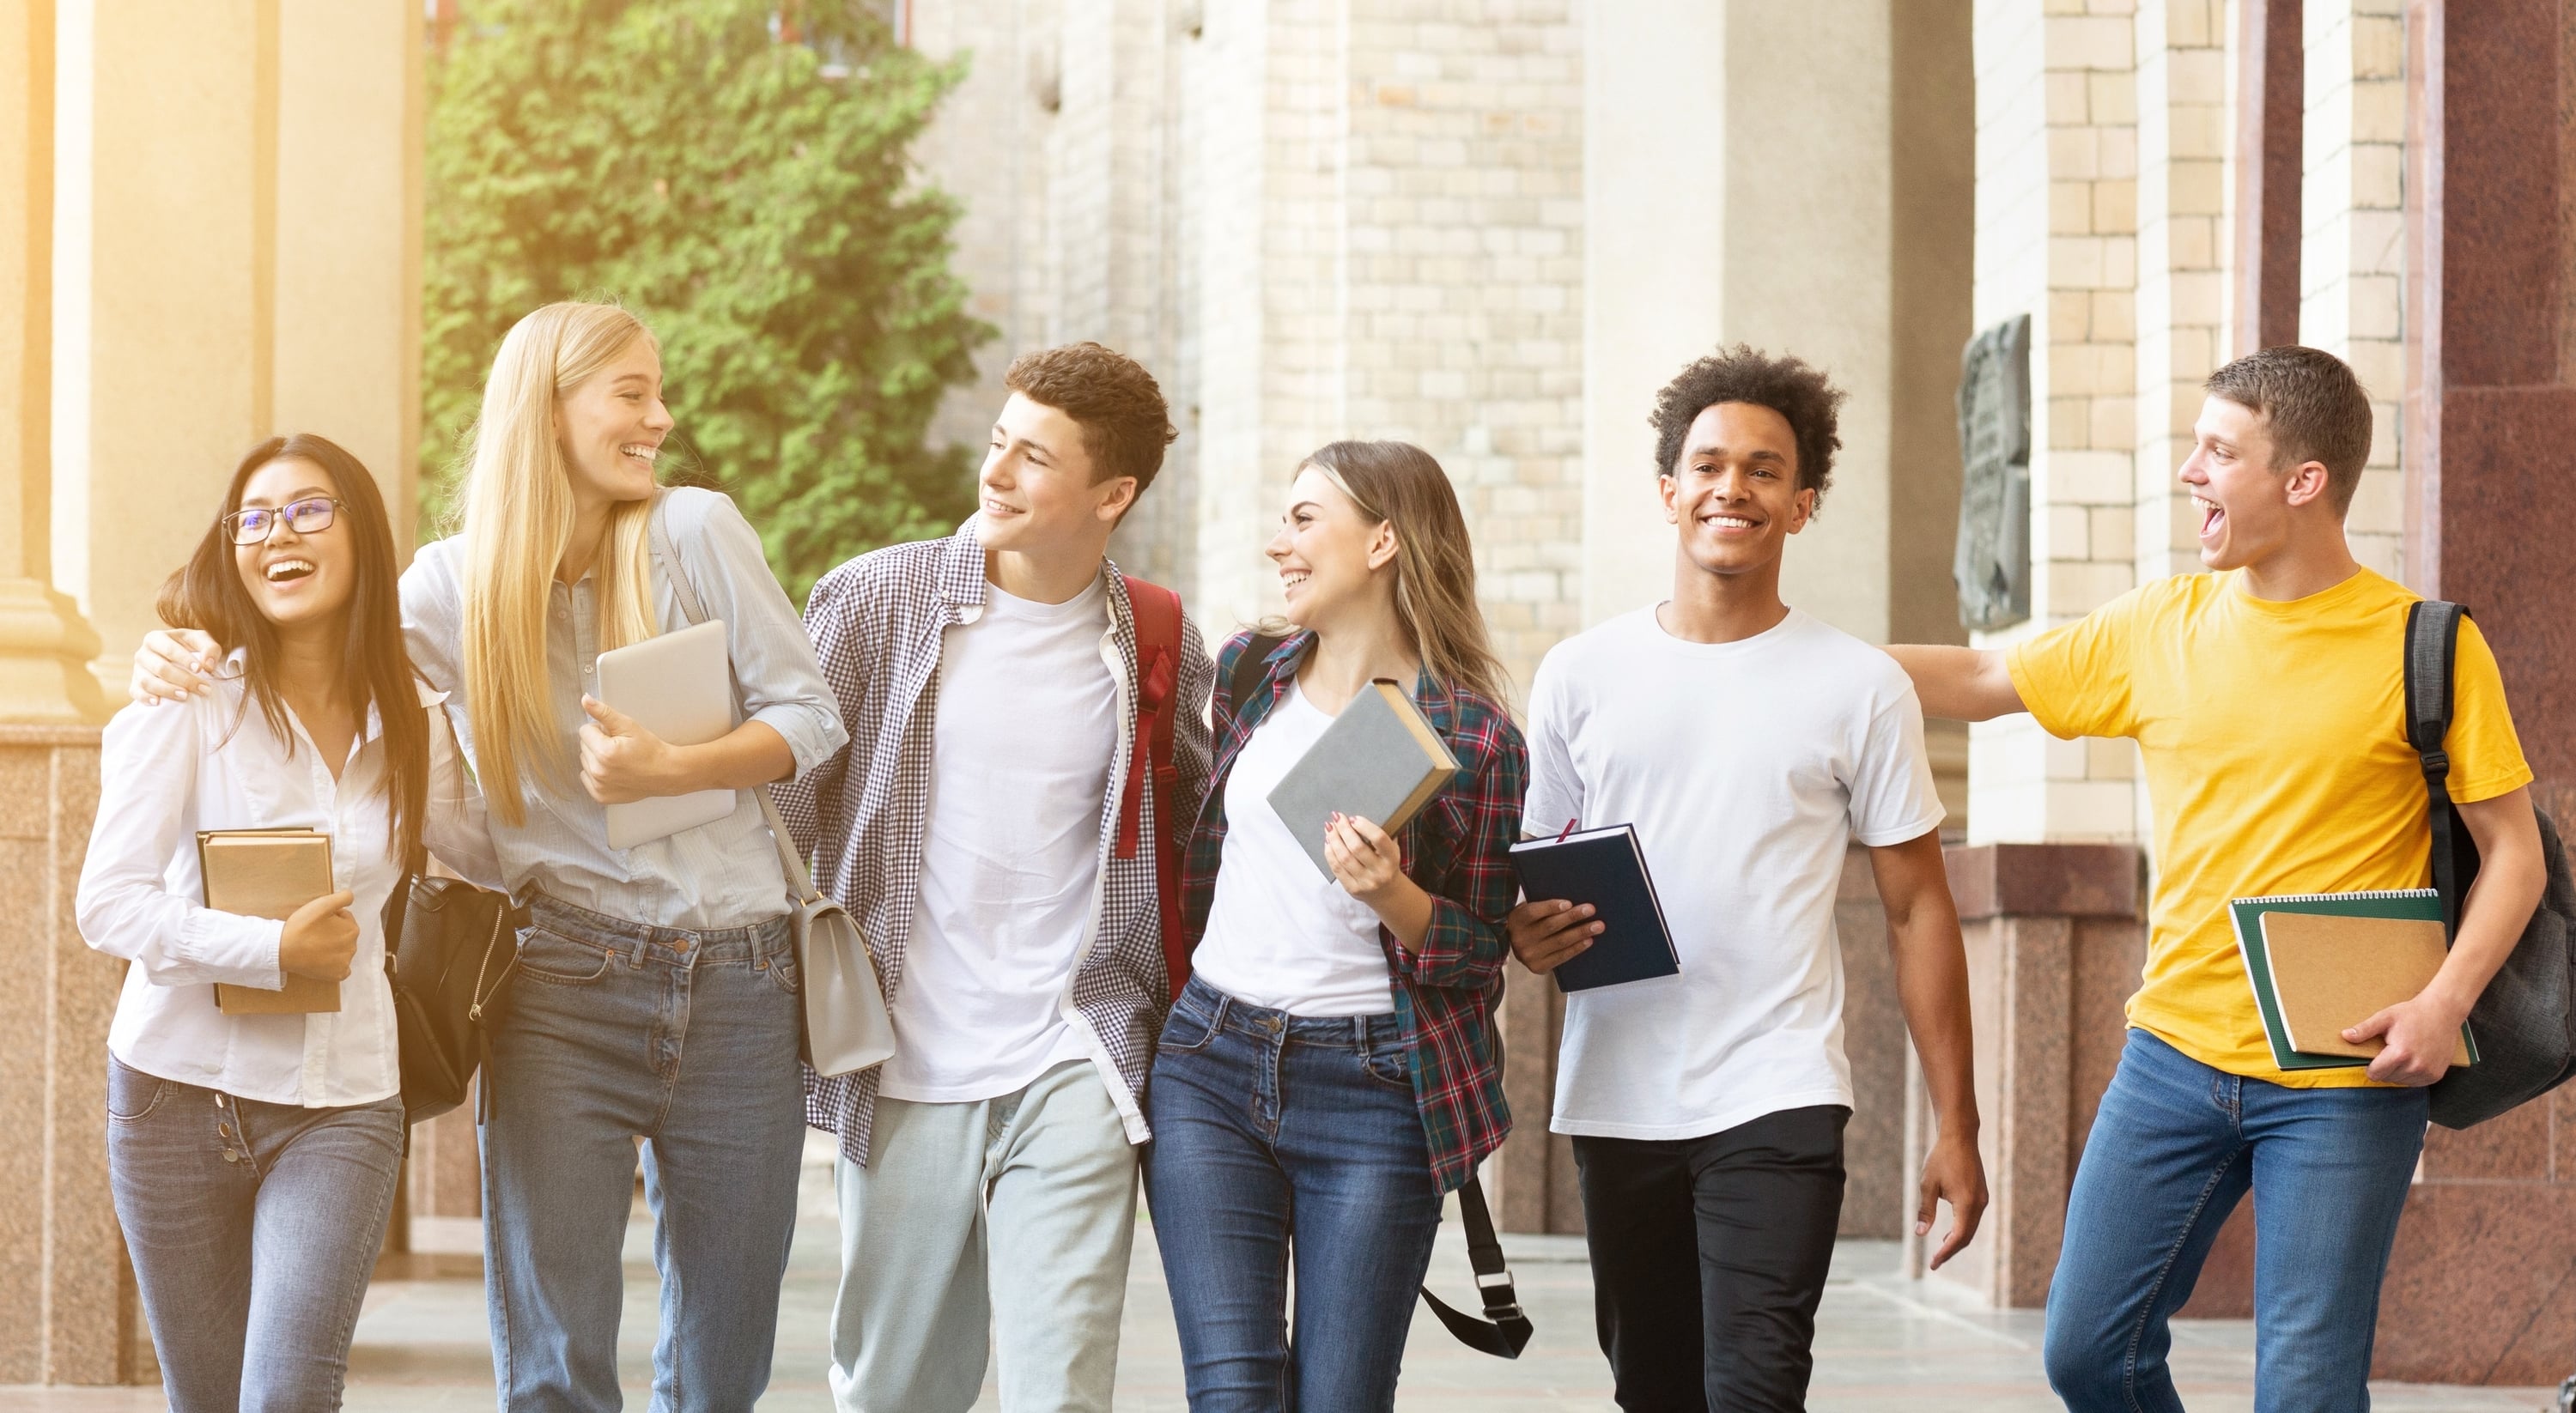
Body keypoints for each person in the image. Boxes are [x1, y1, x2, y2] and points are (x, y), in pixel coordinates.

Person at [128, 301, 849, 1410]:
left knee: (723, 1355)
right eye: (631, 393)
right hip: (564, 978)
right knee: (556, 1356)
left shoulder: (696, 531)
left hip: (743, 979)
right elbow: (318, 634)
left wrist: (676, 767)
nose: (661, 416)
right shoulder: (448, 586)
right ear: (549, 408)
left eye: (657, 392)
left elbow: (811, 717)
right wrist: (179, 639)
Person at [1886, 345, 2548, 1412]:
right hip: (2173, 1057)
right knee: (2089, 1351)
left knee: (2306, 1390)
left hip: (2348, 1071)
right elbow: (1983, 675)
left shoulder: (2425, 643)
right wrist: (1790, 656)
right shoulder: (2162, 625)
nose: (2190, 470)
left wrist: (2445, 1002)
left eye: (2218, 450)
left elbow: (2514, 853)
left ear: (2304, 480)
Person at [1505, 346, 1988, 1412]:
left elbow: (1917, 908)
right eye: (1711, 465)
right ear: (1670, 489)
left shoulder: (1860, 685)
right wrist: (1529, 932)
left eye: (1766, 470)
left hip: (1779, 1088)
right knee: (1655, 1390)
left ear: (1804, 503)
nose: (1735, 488)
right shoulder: (1581, 673)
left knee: (1758, 1389)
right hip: (1620, 1087)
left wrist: (1959, 1123)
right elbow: (1536, 874)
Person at [769, 342, 1214, 1413]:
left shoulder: (1154, 637)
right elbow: (781, 806)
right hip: (904, 1053)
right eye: (1000, 442)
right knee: (894, 1389)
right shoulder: (878, 600)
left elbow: (1200, 829)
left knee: (1059, 1389)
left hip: (1076, 1048)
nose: (998, 472)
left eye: (1035, 459)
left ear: (1113, 494)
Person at [79, 434, 502, 1410]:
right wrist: (270, 950)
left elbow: (493, 852)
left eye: (310, 509)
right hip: (172, 1095)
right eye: (255, 517)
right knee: (210, 1397)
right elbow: (107, 902)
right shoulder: (185, 700)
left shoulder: (412, 720)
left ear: (360, 534)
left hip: (343, 1102)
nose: (279, 533)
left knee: (288, 1392)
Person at [1143, 440, 1525, 1412]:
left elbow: (1485, 952)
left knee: (1341, 1399)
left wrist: (1392, 894)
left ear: (1385, 539)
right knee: (1232, 1392)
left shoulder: (1475, 734)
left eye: (1305, 518)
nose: (1280, 542)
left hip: (1375, 1088)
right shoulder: (1250, 670)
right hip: (1211, 1061)